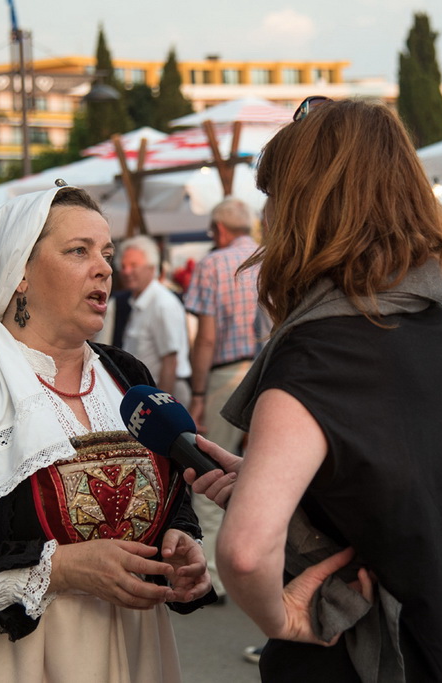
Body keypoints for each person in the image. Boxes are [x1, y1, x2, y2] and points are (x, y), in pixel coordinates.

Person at [188, 98, 442, 681]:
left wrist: (283, 619)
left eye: (275, 196)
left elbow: (243, 554)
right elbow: (414, 485)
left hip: (363, 651)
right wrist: (290, 485)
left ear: (306, 208)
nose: (267, 214)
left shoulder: (320, 349)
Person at [0, 184, 214, 683]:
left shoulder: (126, 375)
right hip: (3, 658)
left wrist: (178, 538)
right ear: (19, 274)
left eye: (107, 253)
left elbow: (172, 497)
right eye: (78, 251)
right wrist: (59, 569)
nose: (104, 267)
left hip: (128, 647)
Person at [182, 197, 262, 604]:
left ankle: (214, 577)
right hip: (270, 374)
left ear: (218, 229)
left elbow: (207, 337)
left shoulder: (213, 263)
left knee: (212, 473)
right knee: (265, 476)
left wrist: (197, 395)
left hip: (227, 375)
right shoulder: (272, 257)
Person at [118, 235, 192, 404]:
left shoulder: (162, 303)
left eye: (133, 265)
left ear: (151, 268)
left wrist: (161, 407)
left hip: (165, 394)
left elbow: (170, 360)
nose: (126, 271)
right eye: (123, 266)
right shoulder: (140, 302)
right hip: (151, 395)